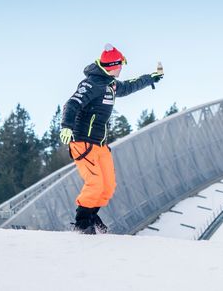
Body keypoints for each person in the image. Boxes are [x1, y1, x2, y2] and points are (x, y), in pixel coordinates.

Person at [60, 44, 163, 234]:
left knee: (107, 187)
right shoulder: (91, 84)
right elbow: (72, 103)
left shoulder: (111, 84)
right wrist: (66, 126)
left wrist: (151, 79)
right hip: (83, 143)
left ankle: (91, 213)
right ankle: (82, 222)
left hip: (100, 145)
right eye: (120, 64)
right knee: (95, 183)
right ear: (112, 65)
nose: (122, 68)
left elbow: (130, 85)